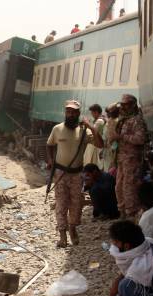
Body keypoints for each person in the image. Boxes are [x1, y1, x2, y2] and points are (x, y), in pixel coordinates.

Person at [46, 100, 104, 247]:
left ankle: (72, 229)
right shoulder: (57, 129)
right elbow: (49, 145)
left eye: (73, 112)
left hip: (77, 174)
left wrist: (90, 126)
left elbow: (100, 144)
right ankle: (62, 235)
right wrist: (51, 160)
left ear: (78, 114)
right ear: (65, 113)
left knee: (76, 204)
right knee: (61, 203)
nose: (70, 114)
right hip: (60, 173)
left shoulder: (84, 131)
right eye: (68, 112)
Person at [113, 94, 147, 219]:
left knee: (130, 187)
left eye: (126, 105)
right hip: (123, 158)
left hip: (132, 159)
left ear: (133, 105)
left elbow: (140, 138)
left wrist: (123, 137)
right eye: (122, 105)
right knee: (119, 186)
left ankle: (131, 214)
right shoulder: (125, 119)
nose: (123, 107)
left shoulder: (136, 120)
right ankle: (122, 212)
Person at [83, 104, 105, 168]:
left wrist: (87, 124)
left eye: (92, 112)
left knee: (92, 163)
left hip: (96, 145)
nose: (92, 114)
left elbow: (93, 131)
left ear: (96, 112)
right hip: (94, 144)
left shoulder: (99, 121)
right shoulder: (98, 120)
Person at [103, 102, 119, 173]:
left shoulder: (115, 121)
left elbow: (114, 138)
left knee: (112, 167)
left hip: (114, 148)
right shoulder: (111, 121)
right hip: (109, 148)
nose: (109, 114)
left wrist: (113, 147)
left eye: (110, 112)